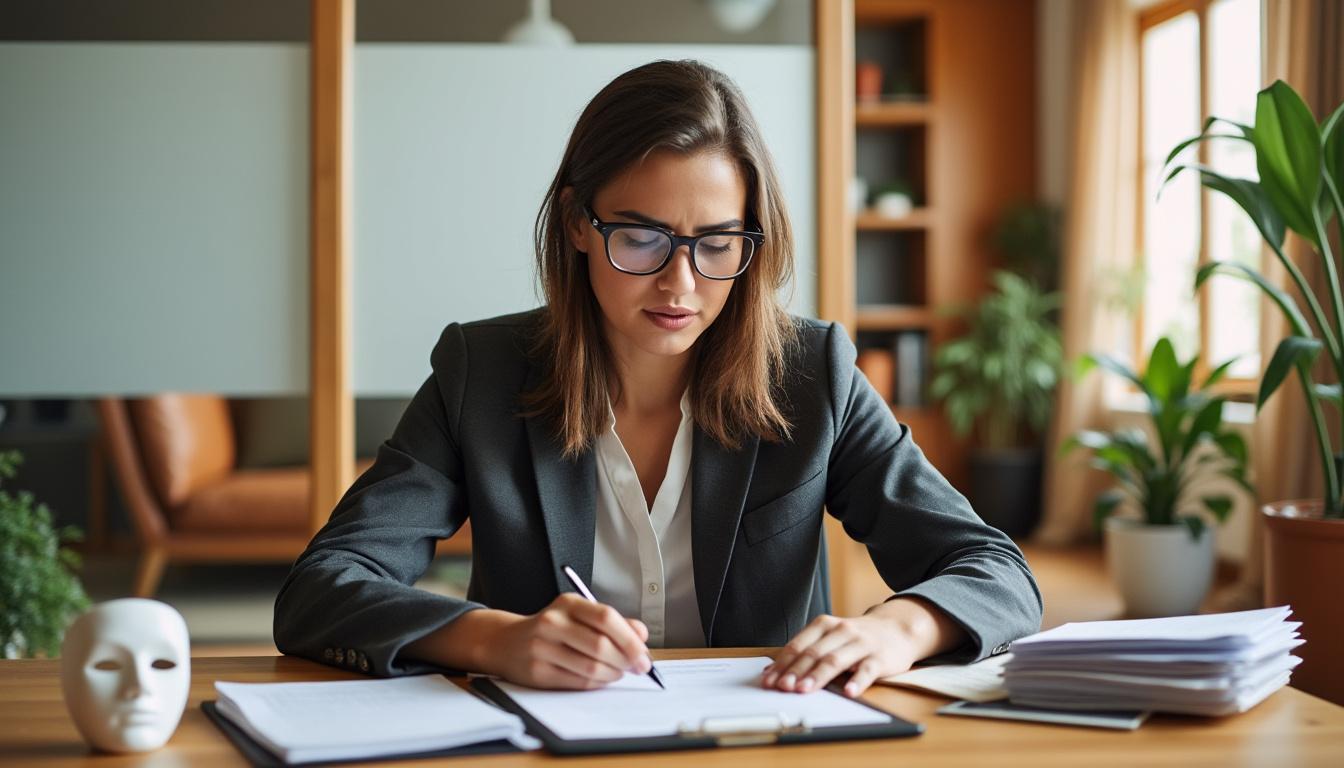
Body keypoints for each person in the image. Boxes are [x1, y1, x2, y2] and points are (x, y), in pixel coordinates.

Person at [274, 59, 1041, 699]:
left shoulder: (813, 372)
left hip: (765, 739)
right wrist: (497, 640)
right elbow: (322, 588)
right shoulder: (481, 372)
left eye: (716, 244)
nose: (680, 283)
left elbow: (995, 573)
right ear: (579, 223)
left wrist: (893, 629)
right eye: (642, 238)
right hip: (543, 740)